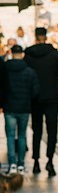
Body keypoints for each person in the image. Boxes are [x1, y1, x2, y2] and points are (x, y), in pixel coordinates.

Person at [24, 27, 58, 176]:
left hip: (35, 97)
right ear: (46, 36)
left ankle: (36, 161)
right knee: (52, 130)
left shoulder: (29, 55)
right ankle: (50, 160)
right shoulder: (54, 54)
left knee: (36, 130)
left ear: (36, 36)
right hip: (51, 97)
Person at [0, 43, 40, 174]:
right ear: (22, 54)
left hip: (9, 106)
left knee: (10, 136)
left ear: (11, 53)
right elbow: (35, 91)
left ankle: (12, 164)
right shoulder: (29, 71)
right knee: (22, 136)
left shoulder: (5, 69)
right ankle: (21, 164)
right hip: (24, 107)